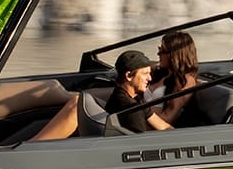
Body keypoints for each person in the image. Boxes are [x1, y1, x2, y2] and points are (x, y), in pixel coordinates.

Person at [29, 48, 172, 140]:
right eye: (145, 74)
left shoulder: (135, 100)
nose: (150, 78)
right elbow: (141, 144)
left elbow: (163, 126)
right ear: (129, 76)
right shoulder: (128, 107)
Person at [154, 30, 207, 127]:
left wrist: (141, 116)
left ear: (174, 55)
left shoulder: (185, 83)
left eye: (162, 50)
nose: (158, 53)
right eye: (159, 48)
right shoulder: (166, 75)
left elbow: (167, 118)